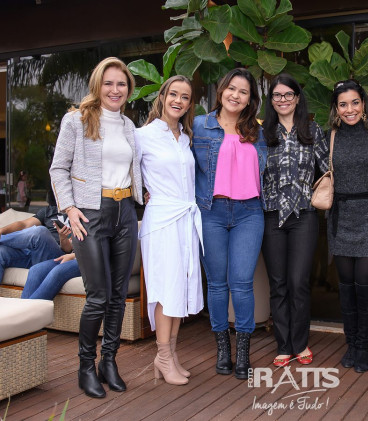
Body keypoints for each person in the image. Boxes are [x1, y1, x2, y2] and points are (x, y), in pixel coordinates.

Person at [50, 57, 142, 398]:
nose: (115, 90)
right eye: (108, 83)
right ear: (97, 86)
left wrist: (143, 193)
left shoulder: (129, 126)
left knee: (118, 295)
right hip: (90, 213)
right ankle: (86, 367)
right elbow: (58, 169)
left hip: (125, 212)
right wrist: (69, 208)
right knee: (99, 295)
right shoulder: (76, 120)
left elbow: (133, 169)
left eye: (121, 84)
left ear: (128, 89)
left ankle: (109, 362)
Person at [192, 68, 266, 380]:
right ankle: (223, 348)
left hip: (249, 213)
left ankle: (243, 351)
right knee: (217, 284)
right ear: (221, 90)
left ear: (250, 99)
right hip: (211, 211)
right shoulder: (199, 125)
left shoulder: (257, 131)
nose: (236, 95)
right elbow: (178, 161)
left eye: (243, 92)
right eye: (231, 88)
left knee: (242, 283)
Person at [136, 75, 203, 386]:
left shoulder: (186, 138)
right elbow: (124, 170)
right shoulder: (142, 136)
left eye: (185, 97)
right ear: (162, 97)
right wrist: (141, 194)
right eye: (173, 94)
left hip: (185, 219)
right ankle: (162, 356)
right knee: (166, 288)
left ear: (189, 104)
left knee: (180, 289)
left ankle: (171, 355)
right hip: (162, 221)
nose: (178, 100)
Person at [261, 74, 328, 367]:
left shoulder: (312, 130)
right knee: (278, 283)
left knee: (298, 282)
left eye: (288, 94)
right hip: (271, 216)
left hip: (304, 216)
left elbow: (328, 168)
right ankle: (284, 345)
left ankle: (300, 342)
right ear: (271, 100)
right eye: (277, 95)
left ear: (298, 98)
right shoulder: (263, 133)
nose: (283, 100)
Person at [327, 79, 368, 373]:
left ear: (363, 103)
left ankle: (365, 345)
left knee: (366, 285)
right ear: (336, 108)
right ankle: (351, 342)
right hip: (341, 216)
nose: (349, 109)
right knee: (346, 286)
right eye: (343, 104)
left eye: (354, 102)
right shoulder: (330, 136)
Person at [0, 192, 72, 282]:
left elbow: (68, 250)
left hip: (55, 257)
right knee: (1, 251)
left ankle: (2, 239)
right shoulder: (49, 211)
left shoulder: (81, 217)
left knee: (40, 232)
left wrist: (63, 237)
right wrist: (1, 230)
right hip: (33, 254)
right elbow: (24, 225)